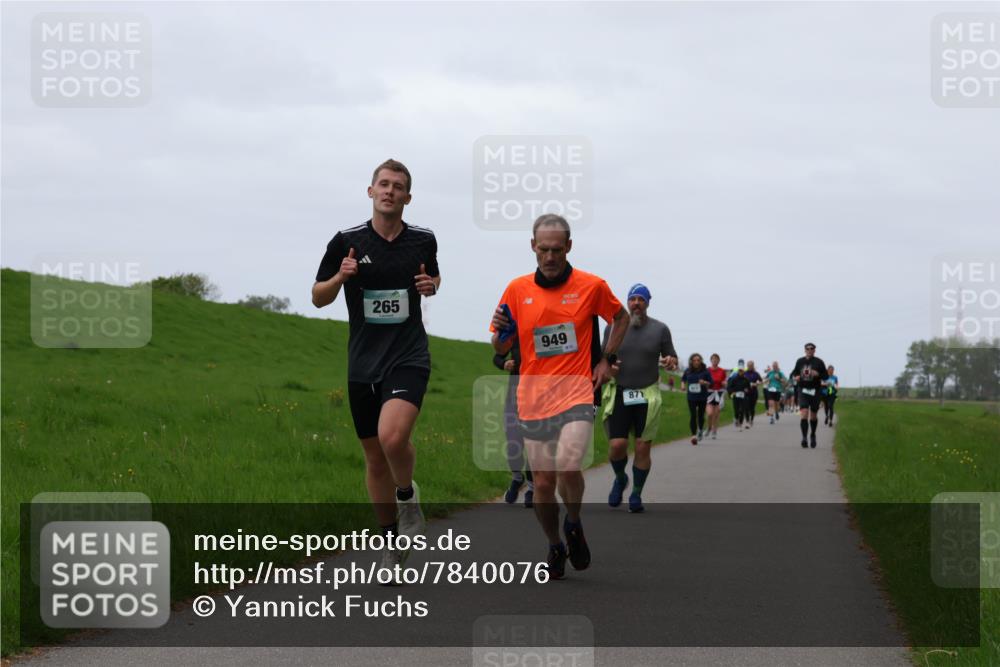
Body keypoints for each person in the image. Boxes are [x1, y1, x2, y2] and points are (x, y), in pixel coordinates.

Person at [312, 159, 440, 581]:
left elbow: (432, 279)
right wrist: (340, 277)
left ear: (407, 197)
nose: (389, 191)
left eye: (398, 186)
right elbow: (317, 297)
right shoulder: (346, 241)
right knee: (374, 457)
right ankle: (390, 541)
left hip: (408, 355)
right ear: (370, 192)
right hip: (362, 361)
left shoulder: (423, 240)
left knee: (392, 436)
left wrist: (431, 286)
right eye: (383, 184)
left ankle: (408, 499)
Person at [490, 214, 627, 579]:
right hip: (533, 397)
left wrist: (605, 359)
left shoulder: (591, 285)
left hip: (577, 391)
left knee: (569, 464)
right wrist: (501, 336)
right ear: (533, 247)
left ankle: (575, 521)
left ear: (568, 247)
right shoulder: (517, 290)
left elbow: (620, 317)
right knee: (544, 485)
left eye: (556, 250)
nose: (549, 257)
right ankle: (554, 542)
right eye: (543, 249)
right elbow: (500, 345)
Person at [600, 283, 678, 514]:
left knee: (643, 447)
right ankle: (620, 477)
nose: (636, 303)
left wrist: (671, 361)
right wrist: (609, 367)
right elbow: (604, 357)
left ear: (647, 303)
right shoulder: (612, 327)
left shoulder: (660, 329)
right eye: (632, 299)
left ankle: (636, 493)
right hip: (621, 391)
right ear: (627, 302)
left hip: (647, 393)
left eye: (641, 299)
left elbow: (670, 356)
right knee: (617, 445)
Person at [493, 341, 534, 507]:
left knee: (532, 446)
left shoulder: (544, 333)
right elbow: (497, 356)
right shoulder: (515, 334)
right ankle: (517, 478)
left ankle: (532, 488)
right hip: (514, 398)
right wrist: (504, 363)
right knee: (513, 444)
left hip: (539, 399)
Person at [790, 342, 830, 448]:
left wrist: (818, 374)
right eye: (807, 348)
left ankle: (812, 434)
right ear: (805, 350)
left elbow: (826, 376)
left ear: (814, 350)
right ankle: (804, 438)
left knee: (813, 416)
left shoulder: (819, 362)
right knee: (804, 413)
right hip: (802, 390)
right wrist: (796, 377)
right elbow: (793, 373)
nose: (809, 350)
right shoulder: (800, 361)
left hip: (815, 391)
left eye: (811, 348)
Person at [681, 353, 712, 445]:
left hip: (702, 396)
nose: (696, 362)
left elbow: (711, 383)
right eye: (694, 360)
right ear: (691, 361)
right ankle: (693, 435)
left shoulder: (705, 371)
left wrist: (704, 382)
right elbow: (683, 379)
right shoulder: (688, 371)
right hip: (691, 397)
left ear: (701, 361)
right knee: (693, 415)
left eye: (698, 360)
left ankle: (701, 430)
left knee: (701, 415)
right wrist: (683, 386)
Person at [705, 353, 727, 439]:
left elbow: (725, 381)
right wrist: (706, 384)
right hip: (709, 393)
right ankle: (709, 428)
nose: (715, 360)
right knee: (710, 413)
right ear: (711, 360)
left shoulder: (722, 371)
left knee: (716, 413)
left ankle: (714, 431)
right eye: (713, 359)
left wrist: (724, 383)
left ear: (719, 361)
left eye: (716, 359)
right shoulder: (707, 370)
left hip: (719, 393)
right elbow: (704, 381)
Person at [727, 364, 752, 430]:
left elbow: (749, 388)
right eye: (740, 371)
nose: (741, 372)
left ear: (744, 372)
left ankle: (740, 424)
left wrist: (747, 390)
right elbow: (729, 387)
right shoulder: (734, 379)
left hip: (743, 396)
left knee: (742, 410)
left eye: (742, 371)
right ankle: (736, 418)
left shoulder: (746, 380)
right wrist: (732, 392)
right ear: (738, 371)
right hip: (736, 396)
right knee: (736, 410)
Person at [744, 360, 762, 427]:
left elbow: (761, 381)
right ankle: (747, 421)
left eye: (751, 366)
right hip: (746, 392)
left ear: (753, 366)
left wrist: (757, 383)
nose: (750, 367)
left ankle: (751, 420)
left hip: (754, 392)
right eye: (749, 365)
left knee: (752, 408)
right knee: (746, 407)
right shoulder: (744, 373)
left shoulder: (756, 373)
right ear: (747, 366)